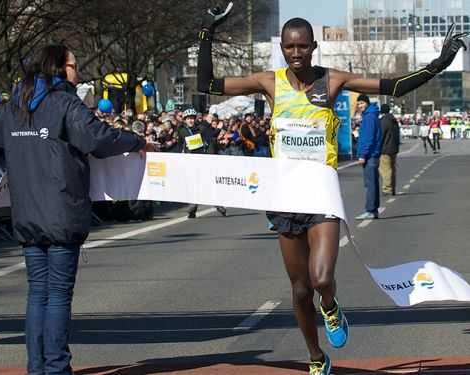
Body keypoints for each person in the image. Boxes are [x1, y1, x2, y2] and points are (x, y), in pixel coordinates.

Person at [196, 4, 467, 374]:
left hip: (321, 192)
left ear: (313, 46)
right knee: (300, 289)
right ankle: (315, 356)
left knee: (321, 279)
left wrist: (439, 63)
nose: (296, 54)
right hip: (284, 196)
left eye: (302, 47)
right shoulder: (269, 82)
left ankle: (332, 305)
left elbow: (394, 87)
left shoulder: (333, 80)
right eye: (289, 47)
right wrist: (208, 30)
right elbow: (206, 85)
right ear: (281, 47)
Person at [0, 45, 151, 375]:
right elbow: (98, 139)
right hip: (62, 210)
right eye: (74, 65)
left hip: (26, 212)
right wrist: (135, 141)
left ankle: (37, 368)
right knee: (57, 296)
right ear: (59, 69)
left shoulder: (13, 108)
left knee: (38, 293)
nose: (77, 72)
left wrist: (18, 153)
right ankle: (56, 368)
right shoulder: (65, 103)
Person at [177, 107, 227, 218]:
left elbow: (211, 136)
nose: (190, 121)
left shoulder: (201, 128)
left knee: (208, 183)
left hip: (202, 160)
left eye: (192, 118)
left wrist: (218, 129)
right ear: (185, 120)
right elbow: (180, 146)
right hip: (190, 161)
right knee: (193, 185)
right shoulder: (182, 130)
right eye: (188, 119)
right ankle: (193, 207)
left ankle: (218, 204)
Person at [355, 94, 382, 219]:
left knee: (370, 184)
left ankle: (370, 210)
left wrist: (363, 155)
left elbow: (369, 138)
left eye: (362, 103)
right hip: (372, 155)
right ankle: (373, 210)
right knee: (372, 183)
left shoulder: (369, 117)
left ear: (367, 103)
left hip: (370, 155)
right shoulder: (370, 115)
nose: (360, 106)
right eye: (359, 104)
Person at [378, 104, 400, 196]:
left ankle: (387, 189)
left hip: (385, 148)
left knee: (385, 169)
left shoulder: (384, 121)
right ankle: (392, 188)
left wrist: (378, 146)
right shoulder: (393, 120)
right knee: (392, 168)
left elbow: (381, 135)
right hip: (394, 148)